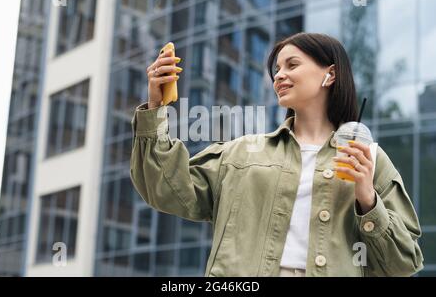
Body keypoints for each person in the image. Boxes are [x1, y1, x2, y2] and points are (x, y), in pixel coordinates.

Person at [130, 32, 424, 277]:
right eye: (277, 70)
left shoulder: (367, 156)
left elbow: (403, 263)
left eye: (292, 65)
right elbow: (166, 188)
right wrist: (156, 106)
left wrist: (368, 200)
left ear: (330, 74)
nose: (279, 76)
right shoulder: (241, 153)